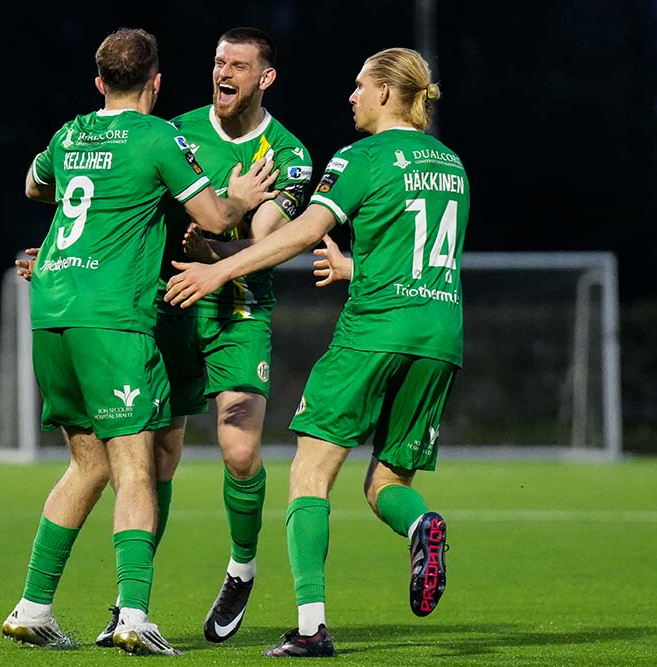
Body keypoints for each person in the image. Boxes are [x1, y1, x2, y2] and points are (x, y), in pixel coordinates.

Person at [165, 47, 467, 657]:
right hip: (441, 336)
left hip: (374, 332)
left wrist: (219, 270)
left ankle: (310, 628)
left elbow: (300, 233)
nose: (351, 97)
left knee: (309, 471)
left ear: (386, 93)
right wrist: (356, 267)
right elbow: (423, 257)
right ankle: (420, 523)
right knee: (386, 481)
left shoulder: (360, 157)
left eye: (360, 86)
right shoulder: (452, 165)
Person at [18, 27, 311, 646]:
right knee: (150, 460)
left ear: (266, 77)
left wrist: (69, 257)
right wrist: (225, 204)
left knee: (236, 452)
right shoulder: (169, 132)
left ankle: (240, 568)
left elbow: (262, 236)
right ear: (156, 81)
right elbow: (139, 208)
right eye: (217, 61)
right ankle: (125, 612)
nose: (223, 72)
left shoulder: (289, 152)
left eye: (238, 64)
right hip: (163, 309)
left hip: (234, 308)